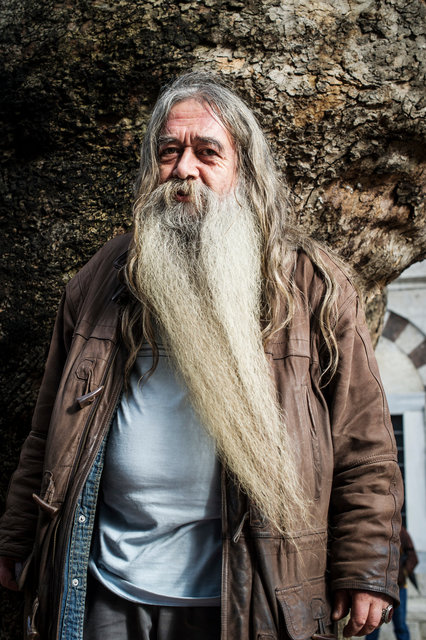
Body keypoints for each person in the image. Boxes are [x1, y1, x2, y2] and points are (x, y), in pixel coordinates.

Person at [0, 72, 403, 640]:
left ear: (245, 171)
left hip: (246, 597)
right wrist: (19, 538)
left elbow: (365, 444)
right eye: (170, 151)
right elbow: (47, 430)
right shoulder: (99, 280)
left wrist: (367, 567)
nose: (184, 170)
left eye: (207, 152)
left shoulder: (313, 285)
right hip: (106, 586)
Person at [366, 527, 419, 640]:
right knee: (373, 624)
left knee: (400, 625)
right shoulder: (378, 530)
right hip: (378, 587)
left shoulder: (402, 533)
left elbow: (413, 558)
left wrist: (402, 573)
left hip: (399, 588)